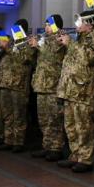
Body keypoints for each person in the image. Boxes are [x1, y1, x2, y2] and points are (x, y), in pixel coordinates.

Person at [56, 21, 94, 172]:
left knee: (83, 126)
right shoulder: (78, 40)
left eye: (81, 22)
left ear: (90, 26)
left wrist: (71, 43)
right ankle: (75, 155)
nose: (77, 24)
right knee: (70, 126)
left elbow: (88, 58)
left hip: (85, 91)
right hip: (70, 90)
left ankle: (85, 159)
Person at [30, 14, 66, 161]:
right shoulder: (43, 40)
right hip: (41, 85)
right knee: (43, 119)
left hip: (53, 85)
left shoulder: (60, 39)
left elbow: (53, 57)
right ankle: (47, 146)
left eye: (48, 25)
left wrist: (38, 45)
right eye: (45, 25)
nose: (45, 28)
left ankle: (56, 148)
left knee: (54, 119)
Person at [0, 19, 36, 152]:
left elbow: (25, 58)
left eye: (17, 29)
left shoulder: (28, 43)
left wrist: (7, 48)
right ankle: (8, 140)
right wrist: (2, 48)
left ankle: (18, 142)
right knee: (7, 114)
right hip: (5, 83)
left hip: (19, 85)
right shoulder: (11, 43)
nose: (14, 32)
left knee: (19, 114)